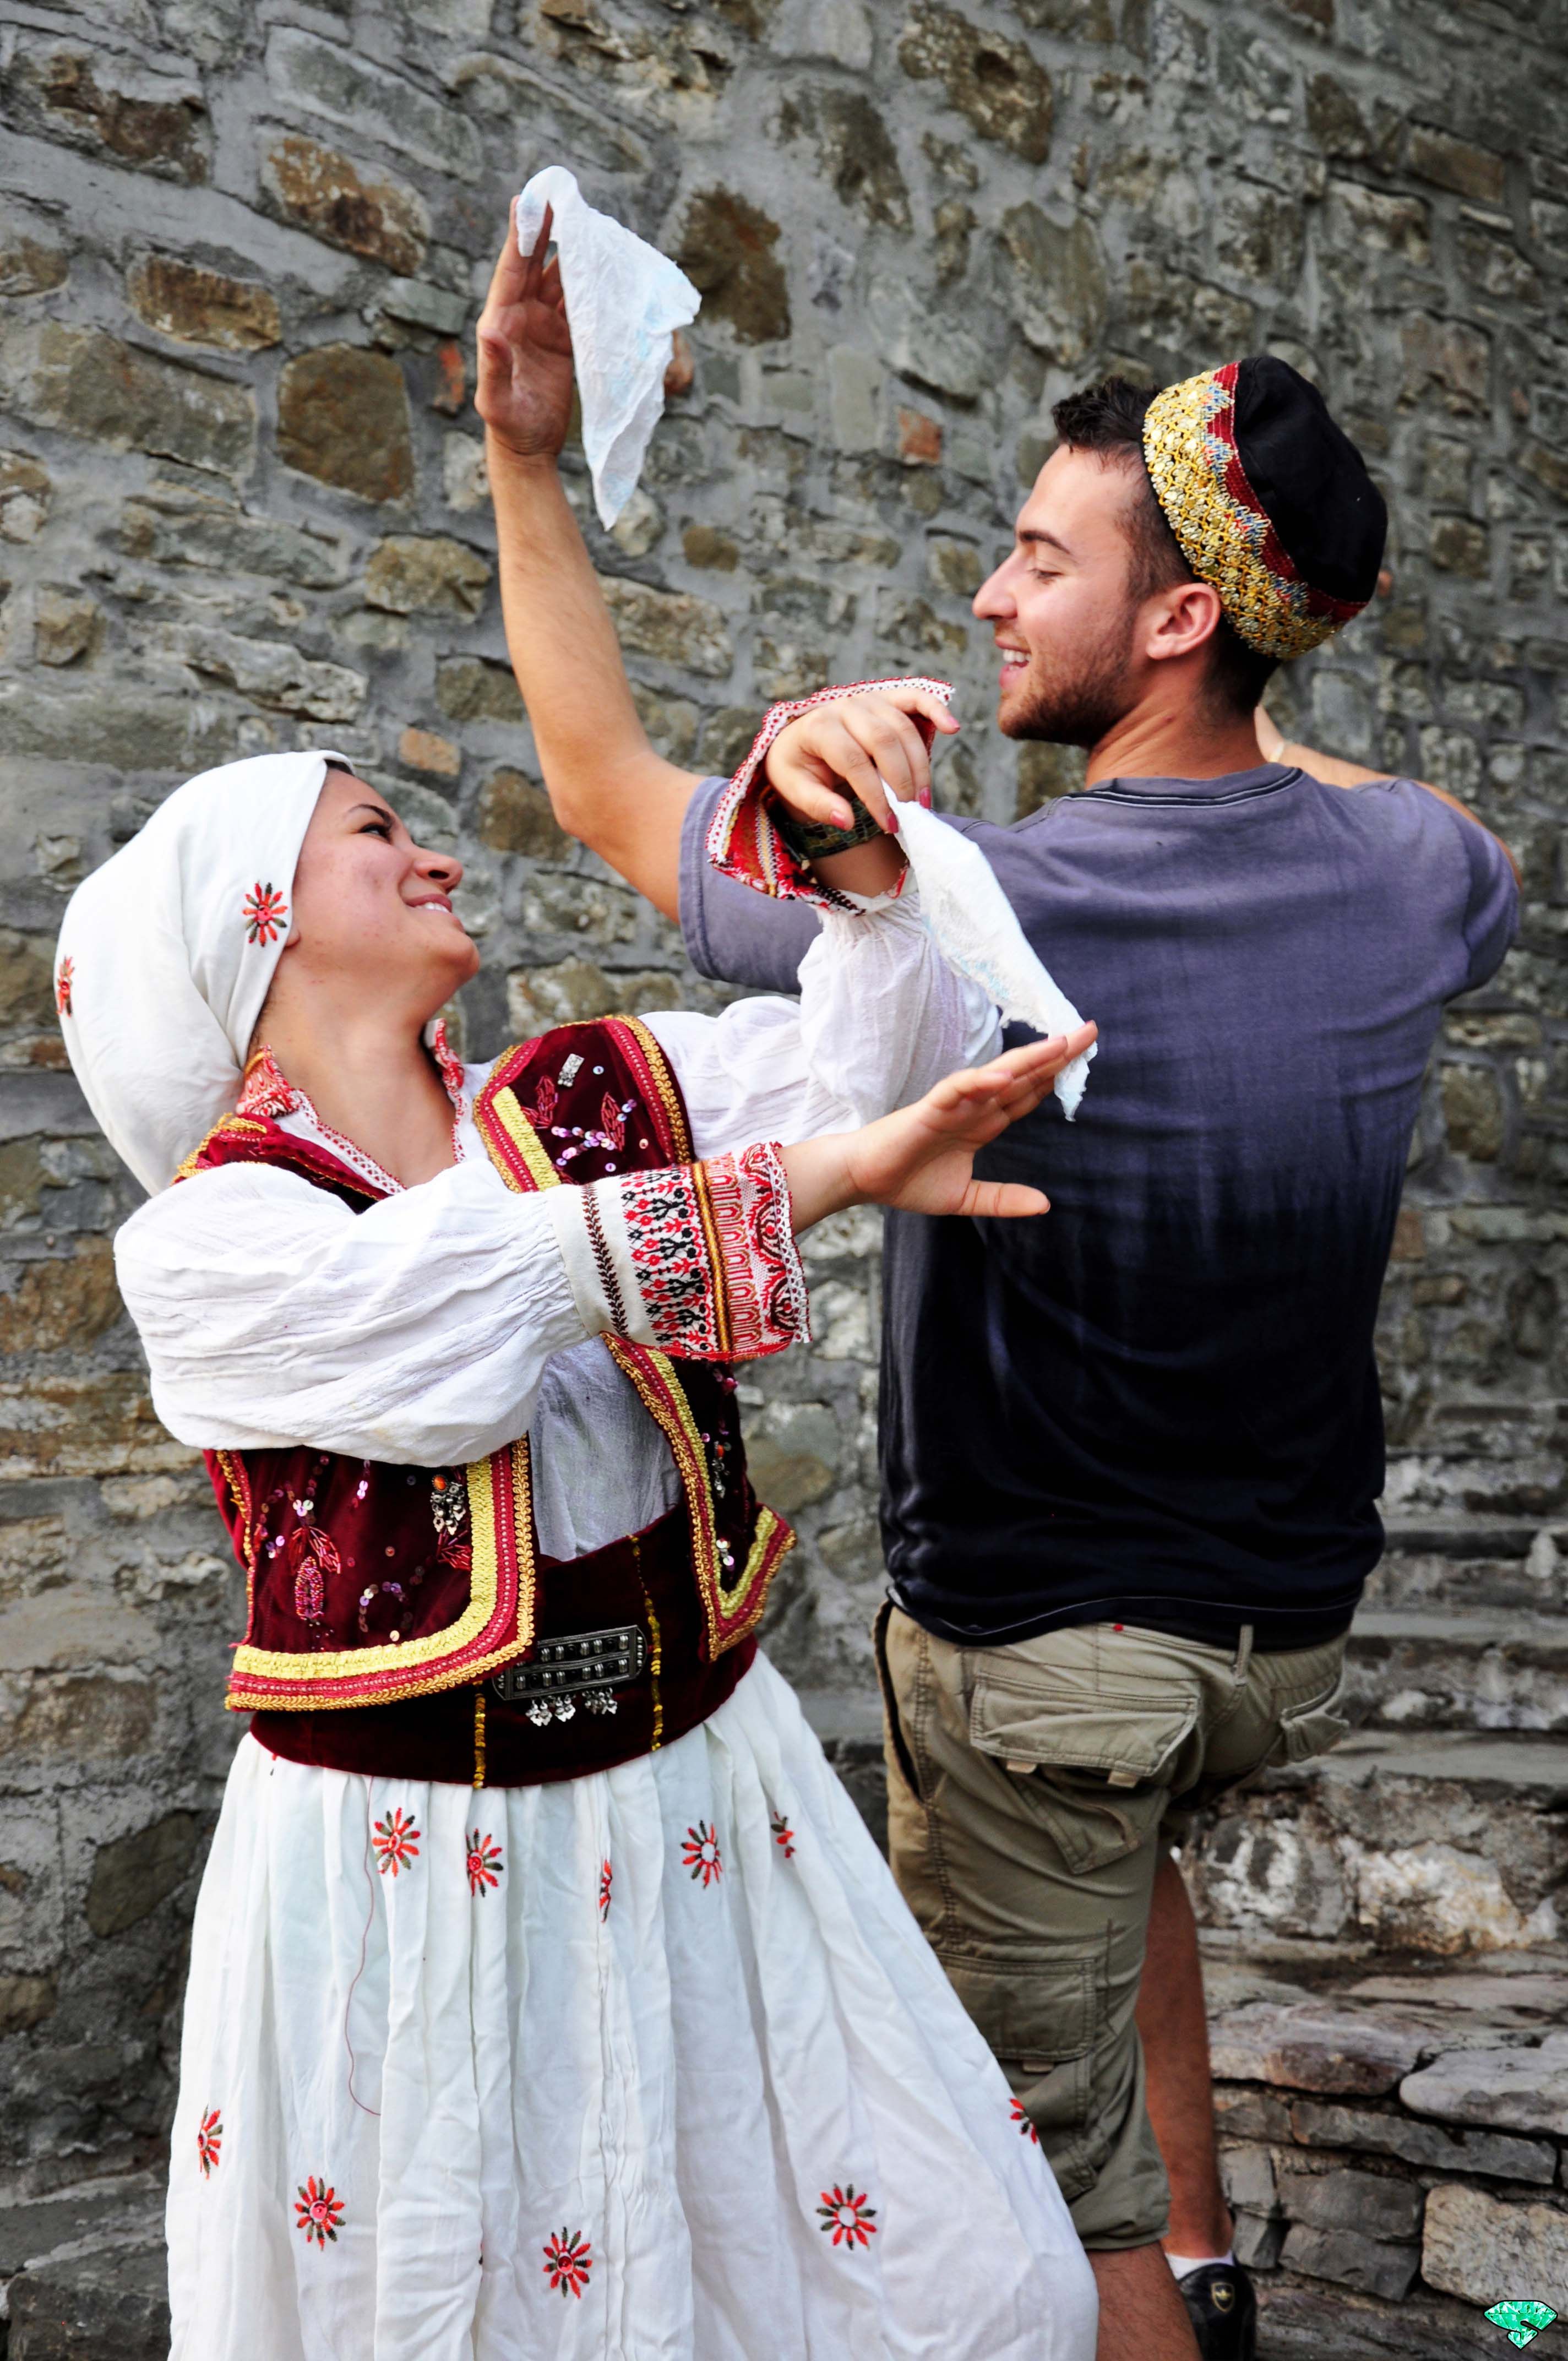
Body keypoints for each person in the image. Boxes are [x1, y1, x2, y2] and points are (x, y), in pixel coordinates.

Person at [477, 209, 1519, 2361]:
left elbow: (596, 785)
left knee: (1032, 2188)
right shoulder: (1417, 877)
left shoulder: (986, 908)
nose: (983, 594)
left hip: (1052, 1654)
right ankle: (1215, 2268)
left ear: (1168, 616)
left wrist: (521, 460)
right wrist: (1241, 680)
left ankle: (1151, 2295)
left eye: (1038, 558)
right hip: (1277, 1637)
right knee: (1115, 1860)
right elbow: (1388, 802)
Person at [56, 748, 1102, 2361]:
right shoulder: (205, 1245)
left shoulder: (584, 1102)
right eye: (374, 834)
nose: (437, 860)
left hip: (699, 1792)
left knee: (963, 2277)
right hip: (415, 1858)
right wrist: (820, 1183)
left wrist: (855, 852)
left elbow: (863, 1074)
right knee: (455, 2297)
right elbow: (471, 1313)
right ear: (252, 922)